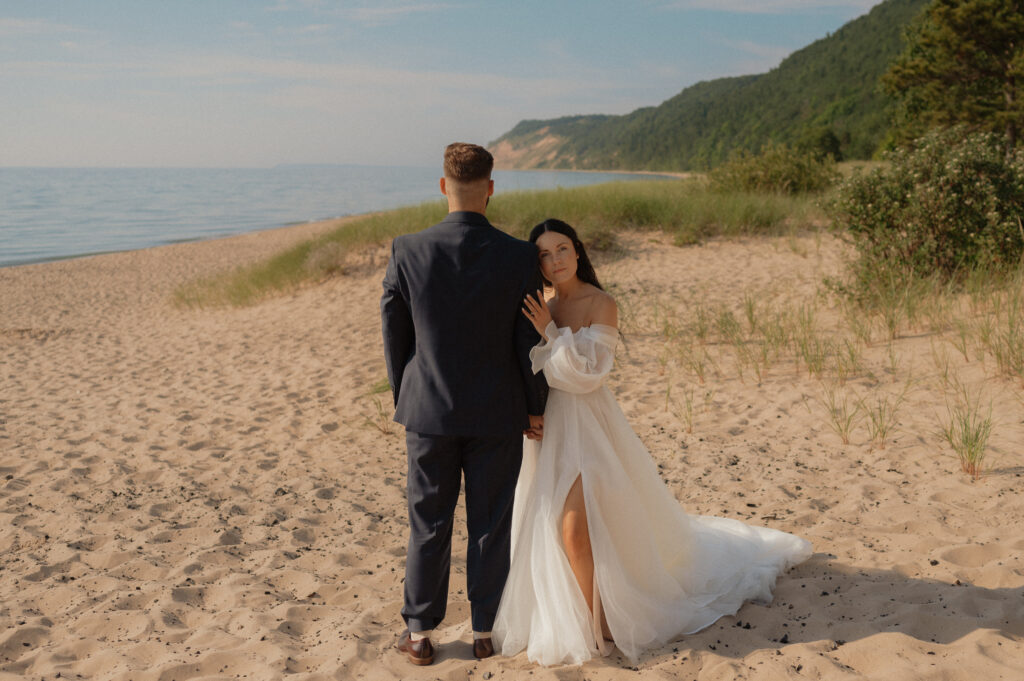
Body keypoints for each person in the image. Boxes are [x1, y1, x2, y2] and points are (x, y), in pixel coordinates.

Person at [491, 218, 812, 666]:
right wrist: (529, 412)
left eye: (561, 249)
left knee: (572, 529)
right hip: (550, 431)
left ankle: (592, 628)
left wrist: (549, 332)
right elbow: (521, 368)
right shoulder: (538, 305)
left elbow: (590, 376)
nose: (555, 260)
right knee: (564, 528)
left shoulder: (601, 303)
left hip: (589, 428)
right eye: (544, 254)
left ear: (578, 251)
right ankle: (592, 614)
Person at [381, 143, 549, 666]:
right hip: (498, 410)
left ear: (442, 186)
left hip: (428, 408)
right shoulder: (520, 255)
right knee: (490, 522)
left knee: (427, 521)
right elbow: (529, 341)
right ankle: (483, 630)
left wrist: (405, 392)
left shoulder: (407, 249)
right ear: (491, 188)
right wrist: (534, 404)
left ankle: (419, 633)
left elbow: (394, 333)